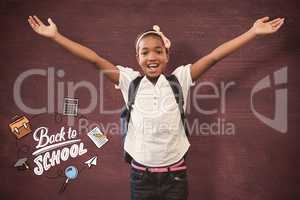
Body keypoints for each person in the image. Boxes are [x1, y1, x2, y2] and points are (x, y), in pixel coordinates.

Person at [27, 15, 284, 200]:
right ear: (137, 58)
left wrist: (253, 32)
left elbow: (215, 56)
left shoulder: (180, 79)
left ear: (167, 55)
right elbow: (94, 58)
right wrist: (56, 36)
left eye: (158, 51)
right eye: (145, 52)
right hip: (141, 178)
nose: (152, 57)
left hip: (175, 177)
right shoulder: (128, 80)